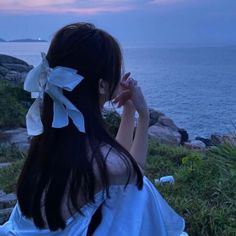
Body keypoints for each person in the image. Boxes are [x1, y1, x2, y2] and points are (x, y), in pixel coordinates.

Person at [0, 22, 186, 236]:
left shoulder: (49, 141)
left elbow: (115, 161)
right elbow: (134, 173)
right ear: (101, 85)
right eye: (117, 68)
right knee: (142, 192)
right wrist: (143, 117)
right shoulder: (106, 163)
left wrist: (128, 111)